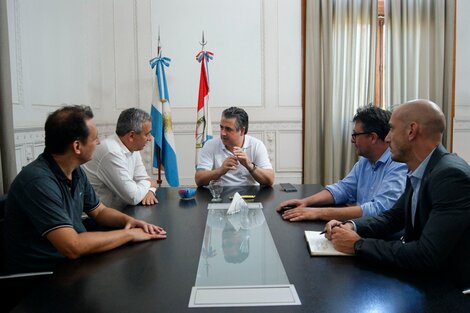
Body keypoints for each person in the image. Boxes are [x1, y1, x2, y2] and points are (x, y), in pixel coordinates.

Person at [3, 105, 167, 274]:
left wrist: (130, 222)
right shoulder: (37, 182)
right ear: (77, 146)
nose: (98, 142)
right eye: (94, 138)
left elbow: (100, 212)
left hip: (70, 265)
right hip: (41, 279)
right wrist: (129, 235)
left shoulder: (75, 170)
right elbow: (73, 246)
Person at [325, 99, 470, 288]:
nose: (386, 138)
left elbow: (427, 254)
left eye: (391, 129)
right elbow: (393, 217)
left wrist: (358, 245)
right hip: (421, 280)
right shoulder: (422, 167)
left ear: (411, 131)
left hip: (447, 291)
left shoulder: (450, 176)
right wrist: (352, 226)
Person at [277, 105, 407, 222]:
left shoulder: (399, 164)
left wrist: (317, 212)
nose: (352, 140)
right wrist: (305, 202)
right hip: (362, 228)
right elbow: (343, 189)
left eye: (355, 135)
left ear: (372, 137)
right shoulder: (365, 162)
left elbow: (379, 209)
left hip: (384, 239)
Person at [83, 108, 158, 209]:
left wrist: (150, 191)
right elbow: (133, 197)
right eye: (146, 134)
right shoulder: (111, 151)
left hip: (119, 212)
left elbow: (142, 179)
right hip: (96, 219)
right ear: (131, 136)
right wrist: (150, 183)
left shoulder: (132, 147)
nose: (150, 138)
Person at [195, 107, 274, 187]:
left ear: (242, 131)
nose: (223, 133)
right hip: (220, 196)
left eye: (228, 129)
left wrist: (249, 165)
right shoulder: (210, 145)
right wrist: (220, 170)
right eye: (221, 127)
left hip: (250, 196)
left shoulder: (257, 145)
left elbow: (270, 180)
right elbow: (199, 179)